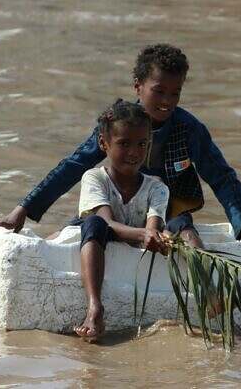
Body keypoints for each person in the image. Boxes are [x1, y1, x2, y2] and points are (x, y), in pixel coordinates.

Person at [0, 43, 241, 246]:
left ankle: (208, 295)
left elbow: (221, 176)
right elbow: (74, 166)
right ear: (138, 87)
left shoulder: (189, 129)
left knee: (186, 234)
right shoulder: (119, 123)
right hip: (114, 211)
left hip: (164, 213)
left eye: (175, 93)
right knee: (65, 237)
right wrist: (23, 209)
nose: (167, 101)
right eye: (158, 91)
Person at [70, 100, 169, 341]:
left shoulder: (157, 187)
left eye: (142, 144)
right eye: (124, 144)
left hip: (127, 239)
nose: (134, 152)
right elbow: (106, 222)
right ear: (104, 143)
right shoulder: (94, 178)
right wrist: (144, 235)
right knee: (92, 223)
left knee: (181, 224)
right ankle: (95, 306)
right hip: (100, 232)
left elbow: (152, 227)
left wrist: (153, 236)